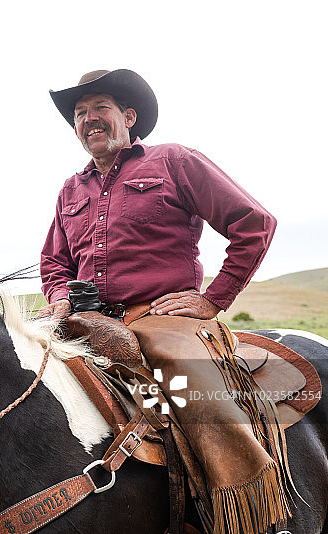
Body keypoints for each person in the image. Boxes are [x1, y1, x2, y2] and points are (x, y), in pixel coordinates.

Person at [38, 69, 287, 534]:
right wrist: (57, 298)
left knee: (186, 378)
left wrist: (213, 299)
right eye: (79, 113)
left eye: (99, 109)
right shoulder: (71, 190)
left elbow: (254, 223)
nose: (88, 119)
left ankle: (256, 510)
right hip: (88, 319)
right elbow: (54, 264)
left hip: (162, 317)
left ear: (128, 117)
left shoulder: (172, 161)